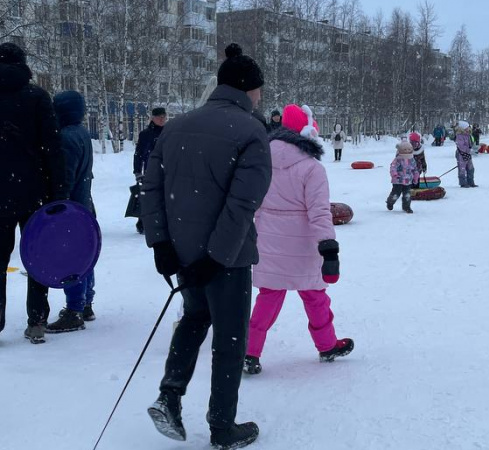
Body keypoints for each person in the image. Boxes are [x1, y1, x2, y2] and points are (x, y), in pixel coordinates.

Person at [142, 43, 271, 450]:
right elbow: (243, 203)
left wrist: (161, 243)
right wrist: (217, 257)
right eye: (259, 89)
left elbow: (151, 188)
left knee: (195, 317)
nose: (260, 97)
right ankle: (222, 426)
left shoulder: (177, 126)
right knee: (230, 338)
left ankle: (169, 395)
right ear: (250, 89)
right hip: (224, 258)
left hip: (184, 249)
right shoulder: (251, 131)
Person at [0, 42, 67, 347]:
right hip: (33, 191)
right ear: (23, 63)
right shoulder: (37, 97)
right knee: (36, 256)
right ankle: (36, 322)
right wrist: (59, 193)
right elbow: (52, 148)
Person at [244, 104, 353, 376]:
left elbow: (252, 202)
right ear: (307, 131)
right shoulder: (311, 168)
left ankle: (248, 352)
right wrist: (329, 248)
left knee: (268, 297)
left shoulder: (262, 160)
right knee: (315, 297)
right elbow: (319, 212)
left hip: (269, 240)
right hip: (303, 245)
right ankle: (327, 345)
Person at [45, 90, 97, 333]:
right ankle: (86, 304)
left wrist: (59, 208)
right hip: (85, 205)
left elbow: (65, 178)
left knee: (71, 259)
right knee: (85, 257)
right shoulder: (82, 132)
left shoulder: (66, 138)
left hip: (71, 209)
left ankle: (74, 311)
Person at [133, 107, 166, 234]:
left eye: (163, 117)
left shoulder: (168, 132)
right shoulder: (146, 134)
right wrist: (137, 172)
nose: (162, 119)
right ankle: (142, 222)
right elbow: (138, 154)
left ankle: (162, 223)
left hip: (166, 171)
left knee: (164, 198)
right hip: (149, 172)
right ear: (153, 118)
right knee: (148, 198)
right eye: (159, 117)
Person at [386, 141, 421, 213]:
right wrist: (394, 174)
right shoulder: (398, 159)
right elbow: (393, 167)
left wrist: (415, 177)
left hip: (408, 180)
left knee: (407, 195)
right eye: (405, 150)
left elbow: (415, 169)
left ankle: (406, 207)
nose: (407, 151)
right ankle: (390, 202)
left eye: (409, 149)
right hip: (398, 180)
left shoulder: (412, 160)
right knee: (396, 194)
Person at [455, 121, 478, 188]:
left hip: (468, 154)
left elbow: (470, 143)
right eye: (467, 127)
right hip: (461, 154)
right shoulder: (459, 136)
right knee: (462, 169)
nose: (469, 128)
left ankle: (471, 182)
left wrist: (473, 147)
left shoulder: (468, 135)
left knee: (471, 168)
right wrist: (469, 150)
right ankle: (463, 183)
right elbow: (461, 146)